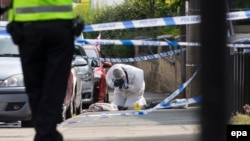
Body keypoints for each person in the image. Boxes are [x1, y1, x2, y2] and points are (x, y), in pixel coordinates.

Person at [6, 0, 83, 141]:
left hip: (28, 28)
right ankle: (47, 133)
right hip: (60, 27)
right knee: (55, 84)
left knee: (35, 85)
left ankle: (45, 134)